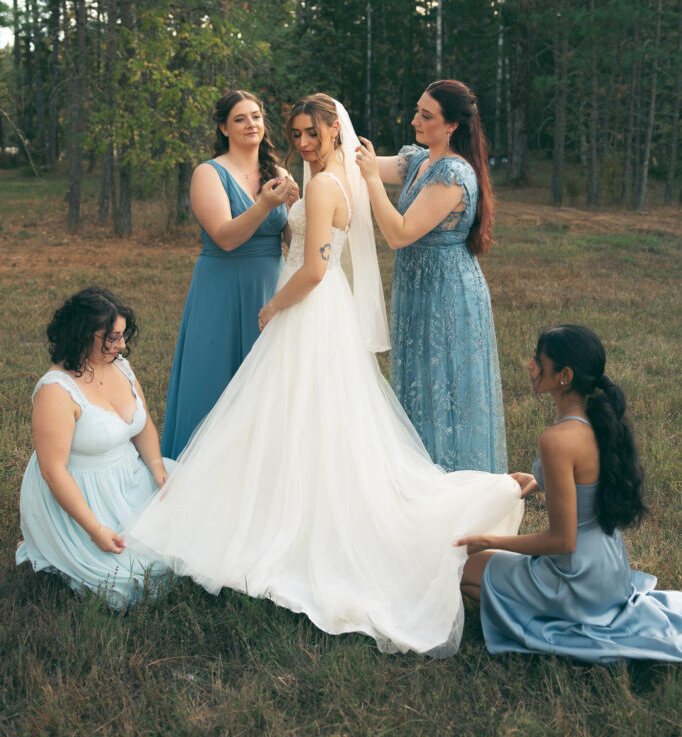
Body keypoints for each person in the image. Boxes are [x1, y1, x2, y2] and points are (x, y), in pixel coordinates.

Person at [125, 94, 523, 657]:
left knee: (289, 411)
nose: (303, 143)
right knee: (312, 416)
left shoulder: (322, 184)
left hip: (308, 307)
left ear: (335, 130)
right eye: (297, 134)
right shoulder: (336, 178)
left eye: (313, 133)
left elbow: (314, 269)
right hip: (325, 308)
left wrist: (272, 307)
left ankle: (290, 519)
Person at [455, 324, 682, 663]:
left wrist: (491, 541)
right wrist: (538, 480)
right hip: (608, 567)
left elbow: (563, 541)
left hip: (575, 574)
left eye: (538, 359)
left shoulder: (557, 440)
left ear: (564, 375)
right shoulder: (597, 418)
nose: (530, 365)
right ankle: (551, 615)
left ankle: (556, 625)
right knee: (481, 576)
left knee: (460, 570)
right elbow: (583, 479)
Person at [356, 79, 507, 473]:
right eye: (417, 110)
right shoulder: (419, 161)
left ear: (452, 124)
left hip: (447, 293)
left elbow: (399, 233)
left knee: (447, 391)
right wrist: (330, 130)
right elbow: (360, 164)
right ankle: (419, 484)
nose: (415, 120)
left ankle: (453, 488)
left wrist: (373, 180)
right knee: (419, 387)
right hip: (417, 290)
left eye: (426, 115)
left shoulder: (453, 174)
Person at [16, 287, 175, 609]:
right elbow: (53, 470)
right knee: (130, 583)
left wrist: (158, 470)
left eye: (123, 336)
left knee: (195, 534)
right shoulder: (56, 391)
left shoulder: (120, 366)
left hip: (130, 476)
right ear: (83, 336)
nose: (122, 346)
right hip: (83, 495)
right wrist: (95, 530)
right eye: (113, 338)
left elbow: (142, 425)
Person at [161, 89, 297, 458]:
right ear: (224, 127)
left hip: (269, 288)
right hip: (221, 289)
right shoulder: (208, 173)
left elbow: (291, 239)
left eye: (256, 116)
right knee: (213, 382)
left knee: (264, 385)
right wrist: (265, 203)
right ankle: (199, 471)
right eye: (240, 118)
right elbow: (225, 237)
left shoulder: (279, 173)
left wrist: (300, 211)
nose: (251, 124)